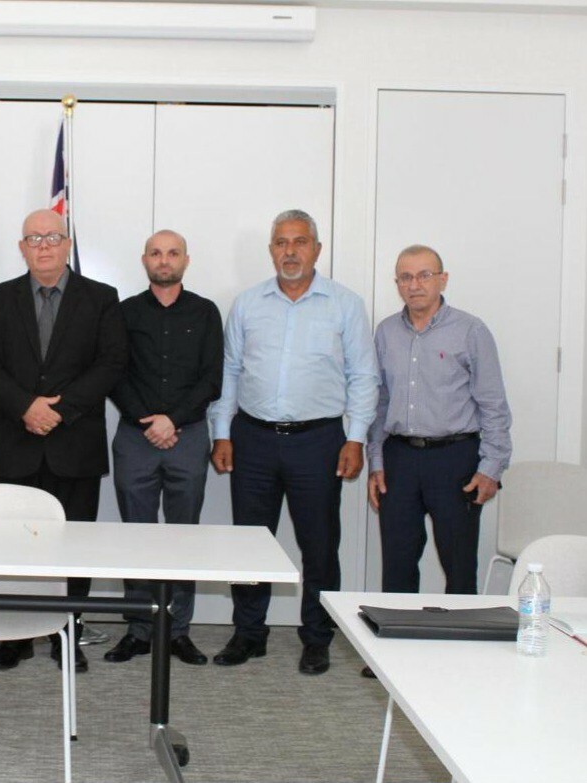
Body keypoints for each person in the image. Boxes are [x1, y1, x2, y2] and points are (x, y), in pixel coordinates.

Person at [209, 209, 378, 675]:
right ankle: (249, 633)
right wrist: (221, 432)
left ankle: (317, 636)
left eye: (300, 242)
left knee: (319, 545)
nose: (290, 251)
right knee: (250, 543)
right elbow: (229, 372)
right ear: (271, 251)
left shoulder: (345, 304)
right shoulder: (247, 304)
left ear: (316, 249)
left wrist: (356, 438)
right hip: (253, 439)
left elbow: (364, 376)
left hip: (319, 441)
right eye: (281, 242)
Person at [0, 208, 128, 672]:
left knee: (73, 545)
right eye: (34, 239)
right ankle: (15, 637)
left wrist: (59, 410)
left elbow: (111, 362)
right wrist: (26, 407)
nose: (43, 246)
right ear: (22, 248)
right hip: (14, 441)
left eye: (52, 237)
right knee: (12, 545)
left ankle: (67, 634)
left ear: (67, 244)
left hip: (74, 442)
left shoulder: (101, 297)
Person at [105, 230, 223, 667]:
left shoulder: (205, 312)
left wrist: (172, 420)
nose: (164, 260)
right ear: (145, 260)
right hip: (135, 436)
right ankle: (139, 630)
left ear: (186, 260)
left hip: (187, 436)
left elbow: (212, 377)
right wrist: (149, 420)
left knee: (182, 536)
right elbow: (114, 373)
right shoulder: (124, 312)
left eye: (173, 253)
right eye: (156, 253)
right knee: (136, 536)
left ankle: (177, 631)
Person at [367, 245, 511, 595]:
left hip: (455, 460)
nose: (414, 284)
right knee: (397, 566)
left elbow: (493, 404)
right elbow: (379, 403)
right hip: (399, 459)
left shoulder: (470, 330)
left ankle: (461, 631)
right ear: (397, 284)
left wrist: (491, 468)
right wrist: (376, 462)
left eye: (424, 275)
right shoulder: (385, 332)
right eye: (405, 277)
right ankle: (399, 630)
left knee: (459, 566)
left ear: (442, 280)